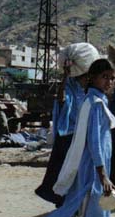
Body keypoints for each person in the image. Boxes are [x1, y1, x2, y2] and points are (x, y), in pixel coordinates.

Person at [42, 59, 115, 217]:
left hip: (95, 172)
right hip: (92, 174)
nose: (109, 81)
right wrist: (102, 175)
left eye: (112, 78)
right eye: (104, 77)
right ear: (92, 78)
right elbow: (94, 142)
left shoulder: (97, 101)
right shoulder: (95, 104)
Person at [35, 62, 88, 207]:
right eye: (83, 79)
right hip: (66, 136)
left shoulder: (83, 93)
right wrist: (65, 75)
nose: (85, 81)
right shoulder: (69, 90)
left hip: (77, 136)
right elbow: (61, 98)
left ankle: (68, 202)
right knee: (62, 169)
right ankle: (60, 200)